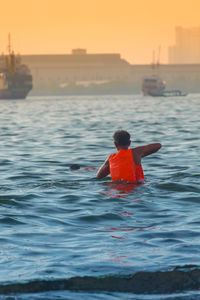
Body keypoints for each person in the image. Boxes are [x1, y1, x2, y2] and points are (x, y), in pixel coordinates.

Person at [96, 130, 162, 183]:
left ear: (115, 144)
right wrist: (141, 153)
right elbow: (158, 145)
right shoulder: (136, 153)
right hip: (135, 189)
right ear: (130, 143)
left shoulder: (110, 158)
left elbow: (98, 176)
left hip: (116, 190)